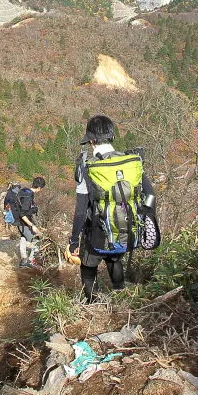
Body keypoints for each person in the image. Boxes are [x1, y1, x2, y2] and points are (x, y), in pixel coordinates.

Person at [67, 115, 154, 302]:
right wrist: (145, 221)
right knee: (114, 259)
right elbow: (150, 194)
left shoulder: (88, 166)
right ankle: (119, 293)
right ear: (112, 136)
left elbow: (81, 211)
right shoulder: (132, 161)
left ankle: (91, 302)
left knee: (88, 267)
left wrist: (74, 241)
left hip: (96, 232)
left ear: (91, 140)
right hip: (125, 228)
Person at [8, 175, 45, 267]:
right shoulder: (28, 197)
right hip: (23, 222)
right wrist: (32, 225)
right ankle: (30, 261)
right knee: (36, 241)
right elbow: (22, 214)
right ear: (39, 188)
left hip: (19, 221)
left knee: (23, 239)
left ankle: (24, 261)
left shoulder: (24, 190)